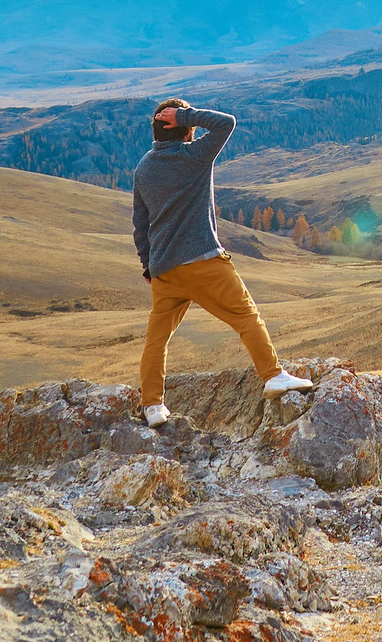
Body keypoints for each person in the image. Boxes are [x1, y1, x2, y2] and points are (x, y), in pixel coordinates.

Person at [132, 97, 310, 426]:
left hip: (163, 270)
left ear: (156, 131)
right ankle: (273, 376)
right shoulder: (194, 156)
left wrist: (147, 265)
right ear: (186, 132)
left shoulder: (143, 168)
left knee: (157, 339)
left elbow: (140, 226)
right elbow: (226, 122)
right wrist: (185, 115)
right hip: (203, 260)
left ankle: (152, 405)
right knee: (246, 316)